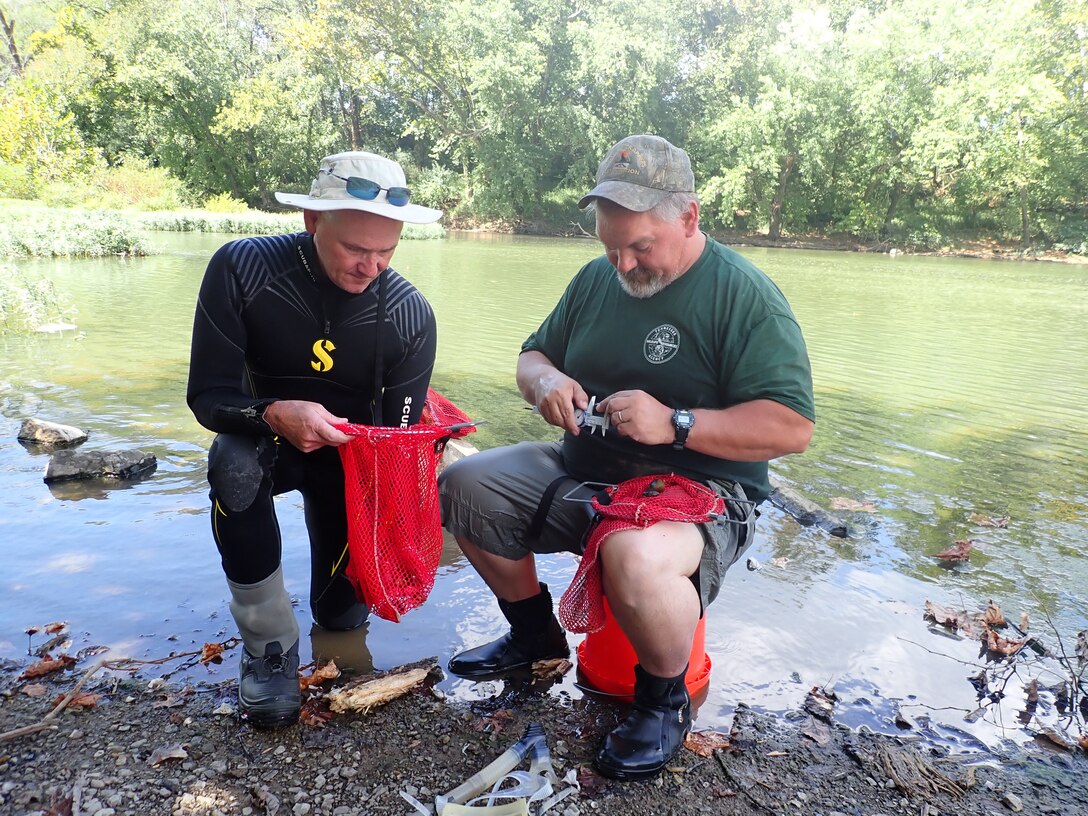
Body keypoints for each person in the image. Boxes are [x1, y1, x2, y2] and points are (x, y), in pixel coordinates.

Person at [438, 134, 815, 779]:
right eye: (612, 249)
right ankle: (534, 637)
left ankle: (664, 699)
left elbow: (790, 427)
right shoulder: (594, 281)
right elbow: (533, 356)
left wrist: (675, 424)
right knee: (465, 482)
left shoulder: (743, 296)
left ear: (689, 217)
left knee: (632, 552)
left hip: (702, 496)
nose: (624, 266)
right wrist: (547, 384)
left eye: (641, 248)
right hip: (583, 471)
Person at [187, 151, 442, 727]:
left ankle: (341, 646)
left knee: (344, 623)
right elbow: (208, 399)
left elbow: (397, 451)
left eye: (387, 252)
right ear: (312, 222)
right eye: (356, 249)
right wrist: (275, 413)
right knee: (232, 461)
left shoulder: (409, 316)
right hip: (262, 443)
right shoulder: (243, 269)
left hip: (350, 463)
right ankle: (268, 646)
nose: (370, 267)